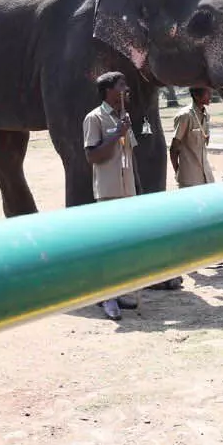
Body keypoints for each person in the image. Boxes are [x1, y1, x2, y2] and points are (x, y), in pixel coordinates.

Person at [83, 71, 140, 321]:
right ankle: (106, 298)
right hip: (108, 192)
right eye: (121, 85)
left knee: (123, 246)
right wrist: (116, 134)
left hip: (127, 192)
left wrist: (137, 186)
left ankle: (117, 292)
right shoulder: (94, 118)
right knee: (108, 247)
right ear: (108, 90)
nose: (126, 89)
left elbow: (130, 154)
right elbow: (92, 156)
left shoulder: (124, 117)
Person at [170, 86, 215, 188]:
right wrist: (179, 172)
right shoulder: (185, 116)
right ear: (196, 95)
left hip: (207, 177)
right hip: (190, 179)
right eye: (207, 92)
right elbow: (173, 149)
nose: (211, 95)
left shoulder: (206, 115)